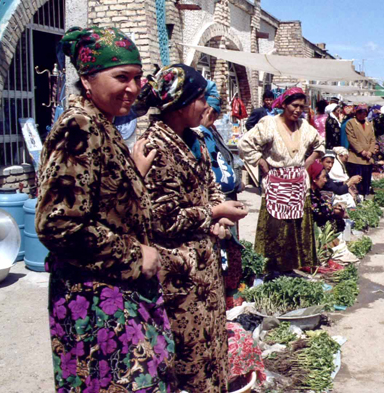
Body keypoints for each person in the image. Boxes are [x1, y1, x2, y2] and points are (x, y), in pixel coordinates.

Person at [36, 27, 176, 392]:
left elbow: (101, 203)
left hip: (116, 295)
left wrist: (135, 175)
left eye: (136, 78)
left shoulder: (103, 125)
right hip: (96, 302)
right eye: (121, 78)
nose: (132, 88)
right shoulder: (79, 127)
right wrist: (134, 254)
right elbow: (58, 224)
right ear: (87, 80)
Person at [138, 64, 248, 392]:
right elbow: (163, 218)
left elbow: (210, 185)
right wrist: (213, 212)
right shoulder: (154, 146)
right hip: (177, 270)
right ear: (183, 103)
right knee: (184, 352)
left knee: (211, 344)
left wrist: (220, 215)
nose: (207, 107)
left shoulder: (196, 140)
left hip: (205, 263)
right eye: (201, 99)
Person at [239, 87, 324, 272]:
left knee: (296, 230)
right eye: (294, 105)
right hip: (276, 184)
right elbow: (244, 143)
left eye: (302, 106)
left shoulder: (304, 127)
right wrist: (259, 160)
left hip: (299, 185)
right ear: (284, 104)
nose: (298, 110)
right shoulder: (269, 124)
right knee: (275, 229)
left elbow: (320, 143)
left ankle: (291, 269)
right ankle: (272, 271)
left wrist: (308, 161)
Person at [200, 80, 245, 300]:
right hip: (215, 206)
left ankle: (230, 295)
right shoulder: (198, 134)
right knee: (222, 254)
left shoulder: (211, 131)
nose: (214, 117)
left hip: (225, 200)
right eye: (211, 112)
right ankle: (227, 297)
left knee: (230, 250)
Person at [308, 161, 346, 233]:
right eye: (323, 177)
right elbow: (318, 212)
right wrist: (334, 211)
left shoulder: (316, 191)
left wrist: (335, 207)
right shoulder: (309, 195)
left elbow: (323, 204)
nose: (325, 180)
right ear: (314, 178)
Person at [345, 106, 376, 197]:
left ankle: (365, 196)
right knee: (357, 181)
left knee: (366, 181)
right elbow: (352, 139)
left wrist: (370, 151)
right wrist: (361, 151)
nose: (362, 115)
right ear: (356, 113)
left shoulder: (369, 124)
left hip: (368, 157)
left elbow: (373, 139)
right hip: (356, 156)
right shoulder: (351, 123)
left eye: (364, 113)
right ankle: (357, 198)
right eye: (360, 113)